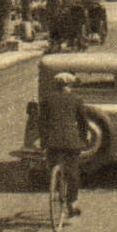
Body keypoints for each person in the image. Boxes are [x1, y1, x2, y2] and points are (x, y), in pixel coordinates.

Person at [39, 72, 87, 217]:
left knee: (53, 166)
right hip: (71, 141)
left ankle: (56, 184)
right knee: (73, 172)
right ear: (70, 85)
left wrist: (44, 141)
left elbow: (42, 123)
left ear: (56, 85)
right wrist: (83, 139)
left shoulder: (47, 99)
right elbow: (83, 122)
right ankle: (72, 203)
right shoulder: (76, 99)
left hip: (53, 140)